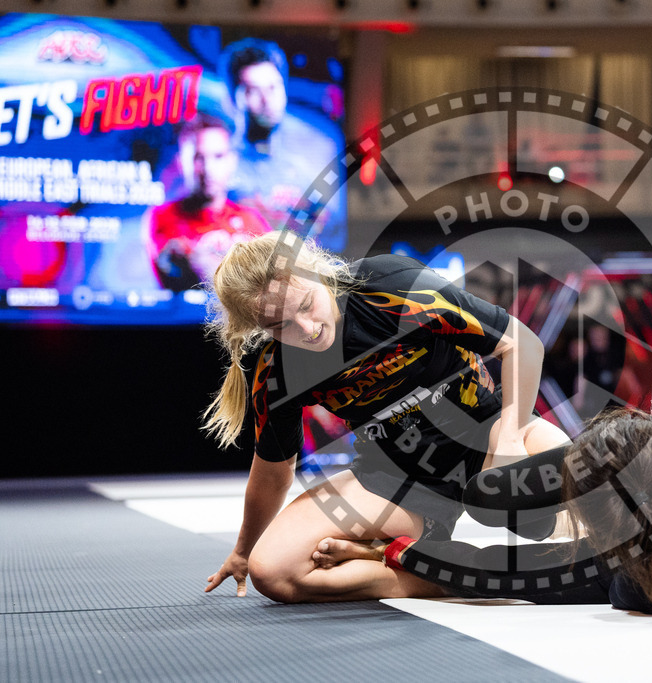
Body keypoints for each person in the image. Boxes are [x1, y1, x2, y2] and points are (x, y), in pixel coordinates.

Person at [311, 334, 652, 624]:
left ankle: (602, 466)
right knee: (496, 498)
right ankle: (612, 463)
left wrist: (386, 551)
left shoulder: (632, 580)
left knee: (487, 497)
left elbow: (486, 568)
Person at [202, 230, 570, 602]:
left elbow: (519, 342)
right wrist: (244, 551)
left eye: (306, 305)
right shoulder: (274, 366)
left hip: (486, 435)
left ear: (318, 274)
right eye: (281, 326)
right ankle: (443, 576)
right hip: (399, 478)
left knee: (579, 503)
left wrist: (508, 440)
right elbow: (273, 471)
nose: (308, 330)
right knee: (275, 572)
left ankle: (393, 555)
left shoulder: (393, 287)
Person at [219, 39, 344, 250]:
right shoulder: (215, 168)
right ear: (232, 99)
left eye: (273, 87)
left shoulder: (301, 173)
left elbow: (332, 237)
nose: (267, 100)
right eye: (252, 90)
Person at [143, 113, 271, 291]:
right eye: (198, 157)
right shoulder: (163, 216)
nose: (208, 169)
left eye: (218, 156)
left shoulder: (251, 219)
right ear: (181, 163)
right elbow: (194, 272)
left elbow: (271, 281)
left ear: (231, 161)